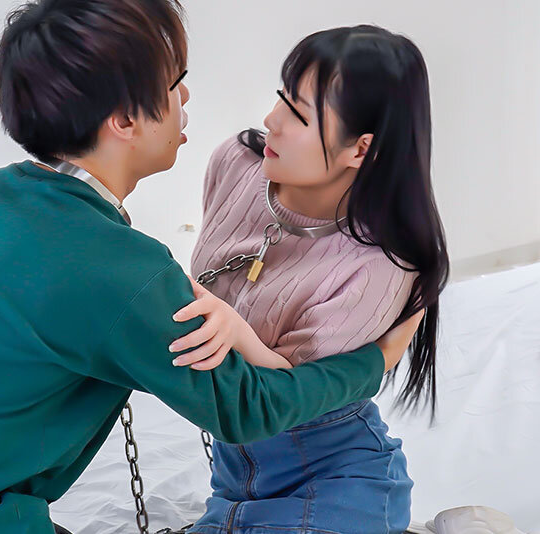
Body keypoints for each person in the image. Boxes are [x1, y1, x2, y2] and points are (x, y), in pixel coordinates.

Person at [0, 3, 420, 533]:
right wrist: (377, 359)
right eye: (174, 83)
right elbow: (249, 406)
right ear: (125, 118)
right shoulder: (115, 267)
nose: (185, 95)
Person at [167, 25, 449, 533]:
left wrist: (237, 332)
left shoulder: (377, 262)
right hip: (237, 480)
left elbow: (285, 396)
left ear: (360, 150)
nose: (271, 121)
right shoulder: (236, 163)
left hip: (335, 480)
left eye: (298, 114)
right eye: (281, 98)